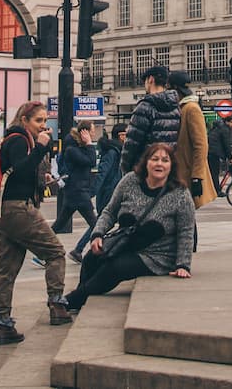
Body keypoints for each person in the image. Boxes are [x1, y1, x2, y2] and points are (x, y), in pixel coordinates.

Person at [60, 142, 195, 315]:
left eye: (165, 160)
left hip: (157, 256)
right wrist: (98, 234)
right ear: (146, 162)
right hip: (125, 244)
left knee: (115, 268)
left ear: (172, 166)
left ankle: (70, 300)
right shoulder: (130, 180)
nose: (159, 164)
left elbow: (186, 232)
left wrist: (183, 265)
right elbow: (109, 212)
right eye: (154, 159)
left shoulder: (180, 194)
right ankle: (82, 296)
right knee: (91, 258)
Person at [0, 101, 69, 345]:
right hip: (16, 209)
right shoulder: (18, 140)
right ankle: (57, 305)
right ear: (24, 120)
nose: (44, 126)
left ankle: (3, 324)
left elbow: (15, 173)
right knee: (55, 252)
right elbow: (20, 169)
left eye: (45, 120)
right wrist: (41, 149)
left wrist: (41, 177)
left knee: (7, 269)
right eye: (38, 121)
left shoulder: (13, 140)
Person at [72, 123, 127, 262]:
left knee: (105, 222)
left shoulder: (118, 150)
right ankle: (79, 249)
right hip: (108, 192)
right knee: (101, 222)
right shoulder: (113, 152)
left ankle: (82, 250)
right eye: (127, 133)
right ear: (121, 136)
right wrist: (94, 191)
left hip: (112, 191)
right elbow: (103, 172)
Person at [169, 71, 215, 209]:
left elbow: (201, 145)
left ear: (175, 89)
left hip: (187, 173)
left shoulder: (191, 109)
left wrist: (197, 176)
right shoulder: (182, 108)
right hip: (180, 173)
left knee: (186, 219)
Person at [121, 66, 180, 172]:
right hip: (167, 167)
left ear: (151, 79)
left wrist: (126, 169)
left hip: (145, 169)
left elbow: (131, 144)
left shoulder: (145, 107)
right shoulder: (175, 107)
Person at [52, 122, 100, 233]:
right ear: (84, 132)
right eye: (92, 131)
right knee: (95, 224)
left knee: (59, 224)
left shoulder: (77, 147)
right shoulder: (72, 149)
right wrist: (89, 143)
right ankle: (104, 246)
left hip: (74, 191)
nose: (93, 134)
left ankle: (45, 242)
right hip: (78, 191)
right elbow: (91, 161)